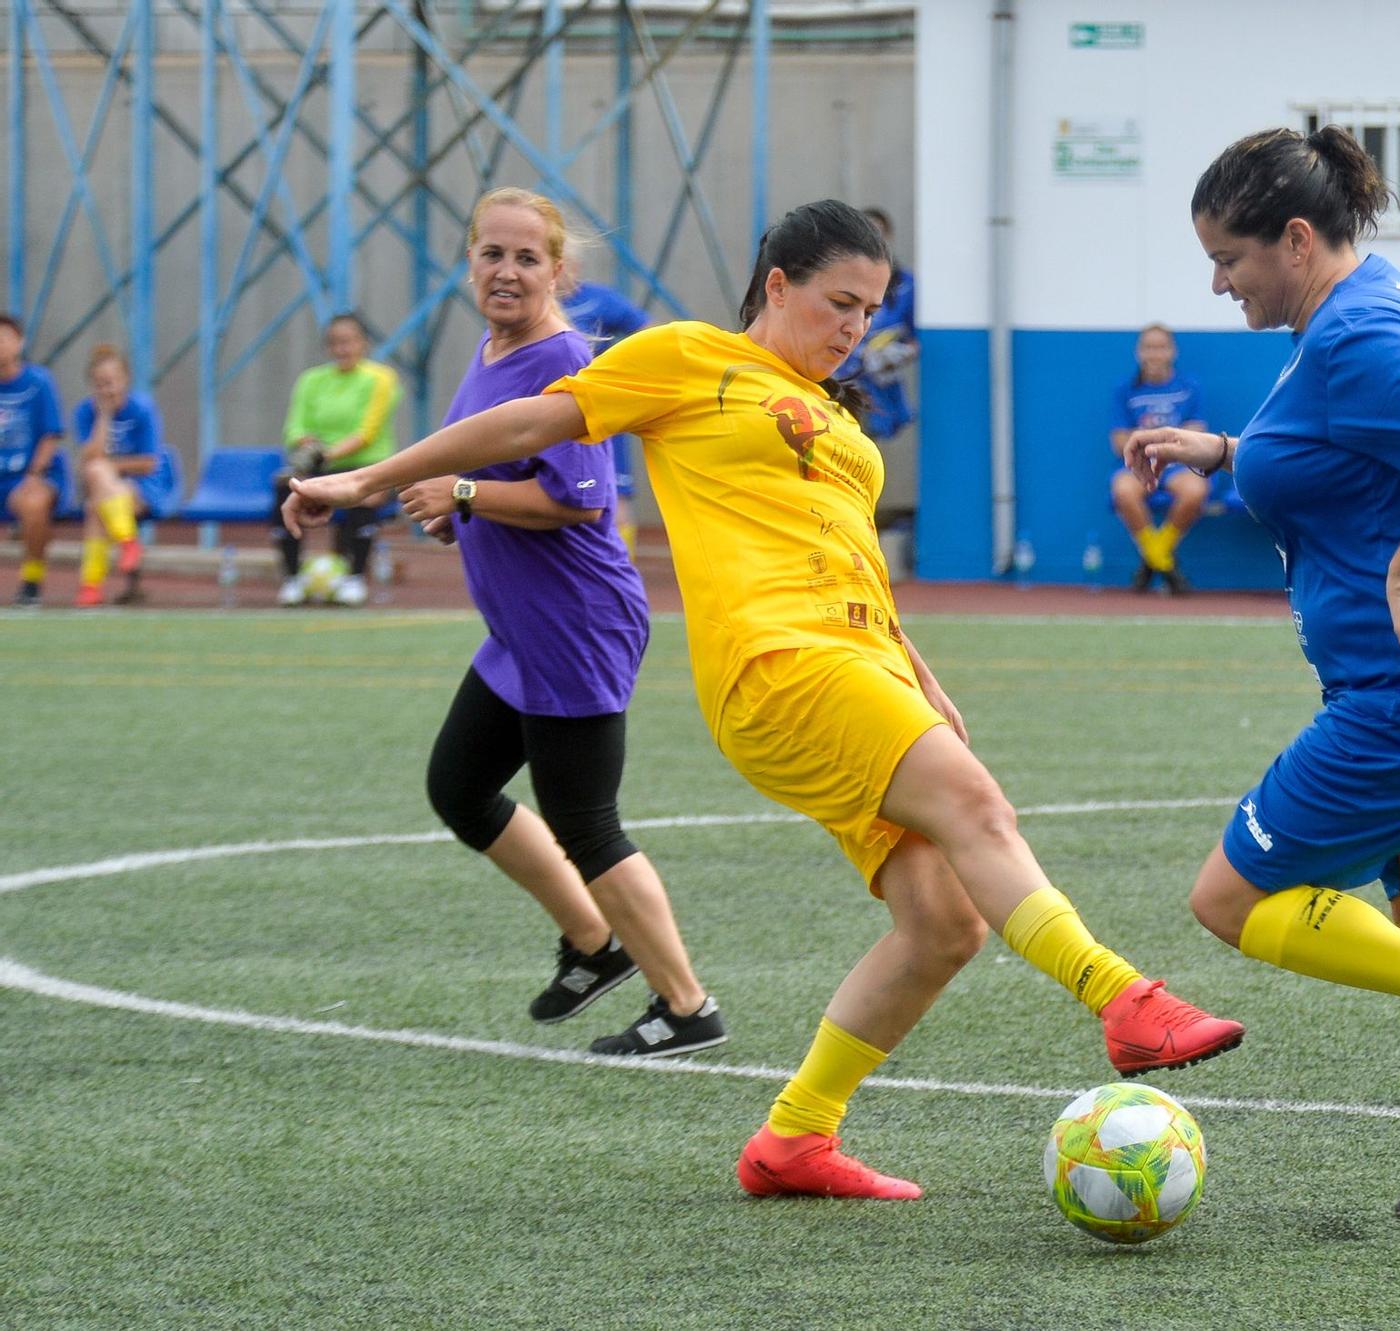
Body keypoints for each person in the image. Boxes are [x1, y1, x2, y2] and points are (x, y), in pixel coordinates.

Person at [286, 197, 1242, 1202]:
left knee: (942, 925)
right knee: (977, 809)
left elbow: (847, 553)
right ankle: (1123, 997)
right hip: (779, 666)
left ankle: (793, 1139)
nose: (853, 329)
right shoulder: (689, 358)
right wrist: (366, 481)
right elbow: (531, 420)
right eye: (838, 302)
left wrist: (919, 671)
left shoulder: (834, 413)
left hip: (859, 662)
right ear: (776, 284)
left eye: (869, 311)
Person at [1125, 127, 1400, 1218]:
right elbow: (1361, 446)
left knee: (1229, 899)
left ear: (1292, 237)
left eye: (1228, 258)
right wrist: (1228, 452)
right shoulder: (1365, 299)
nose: (1216, 281)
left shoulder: (1354, 330)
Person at [379, 188, 723, 1056]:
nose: (506, 270)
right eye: (491, 253)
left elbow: (578, 498)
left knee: (588, 822)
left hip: (576, 624)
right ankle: (592, 943)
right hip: (522, 631)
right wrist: (457, 501)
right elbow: (492, 470)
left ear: (559, 272)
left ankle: (686, 1006)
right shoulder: (495, 347)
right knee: (459, 787)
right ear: (470, 262)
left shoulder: (565, 359)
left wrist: (460, 492)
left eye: (527, 258)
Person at [274, 313, 402, 607]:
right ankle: (292, 578)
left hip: (368, 465)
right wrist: (307, 446)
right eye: (334, 343)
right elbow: (294, 427)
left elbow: (366, 432)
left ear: (364, 344)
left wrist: (326, 454)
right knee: (285, 488)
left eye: (349, 342)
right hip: (318, 467)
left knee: (362, 495)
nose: (342, 349)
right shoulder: (311, 380)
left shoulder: (381, 378)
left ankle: (354, 578)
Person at [1110, 323, 1209, 594]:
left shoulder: (1189, 387)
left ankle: (1153, 557)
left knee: (1196, 490)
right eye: (1148, 348)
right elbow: (1119, 442)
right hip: (1138, 465)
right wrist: (1166, 437)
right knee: (1123, 490)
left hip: (1178, 465)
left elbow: (1197, 433)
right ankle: (1165, 562)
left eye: (1161, 347)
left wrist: (1146, 438)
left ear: (1172, 352)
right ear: (1139, 352)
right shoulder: (1125, 390)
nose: (1154, 354)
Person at [72, 344, 174, 607]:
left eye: (112, 382)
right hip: (108, 490)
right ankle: (127, 542)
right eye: (100, 384)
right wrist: (104, 416)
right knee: (97, 495)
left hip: (143, 488)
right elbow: (90, 455)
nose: (107, 390)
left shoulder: (143, 409)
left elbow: (149, 463)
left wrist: (109, 467)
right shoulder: (86, 412)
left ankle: (91, 583)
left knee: (98, 484)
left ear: (125, 380)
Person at [561, 277, 651, 553]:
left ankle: (622, 564)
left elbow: (647, 330)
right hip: (555, 413)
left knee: (615, 493)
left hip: (599, 410)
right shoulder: (536, 305)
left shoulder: (598, 299)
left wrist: (622, 371)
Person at [834, 207, 917, 444]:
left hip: (878, 386)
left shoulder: (905, 285)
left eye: (878, 232)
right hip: (838, 381)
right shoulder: (835, 279)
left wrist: (898, 355)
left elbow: (916, 337)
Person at [0, 314, 67, 607]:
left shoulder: (38, 383)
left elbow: (50, 435)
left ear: (19, 342)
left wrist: (34, 473)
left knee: (34, 503)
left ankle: (31, 581)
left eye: (4, 339)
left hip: (27, 475)